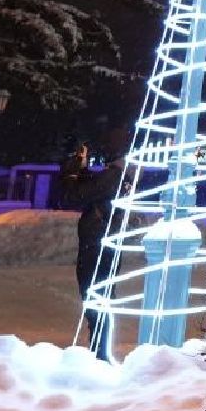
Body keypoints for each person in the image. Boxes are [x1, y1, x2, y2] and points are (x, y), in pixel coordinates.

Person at [59, 128, 128, 359]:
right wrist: (79, 167)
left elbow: (73, 196)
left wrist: (72, 172)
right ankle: (99, 349)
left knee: (95, 297)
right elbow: (89, 188)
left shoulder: (113, 176)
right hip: (101, 243)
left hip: (98, 244)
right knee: (98, 298)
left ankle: (100, 353)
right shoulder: (116, 175)